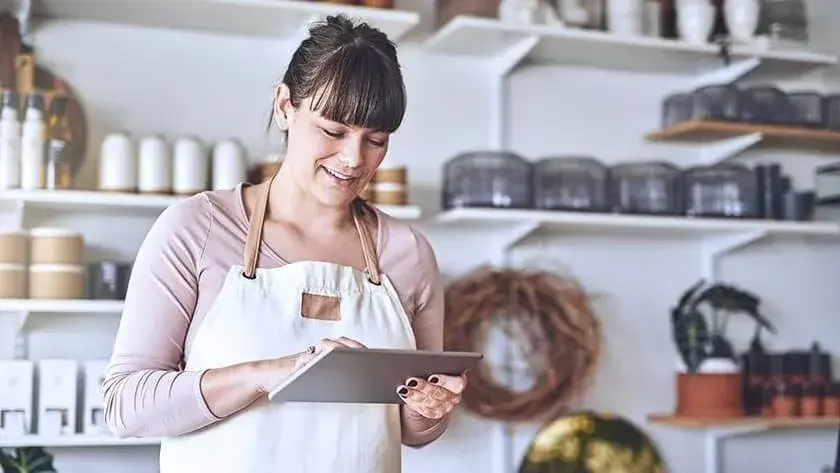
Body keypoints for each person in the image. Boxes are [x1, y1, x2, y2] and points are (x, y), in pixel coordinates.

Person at [102, 14, 467, 473]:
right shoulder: (199, 229)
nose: (354, 159)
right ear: (284, 106)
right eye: (333, 131)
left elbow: (411, 431)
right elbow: (126, 405)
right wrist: (270, 373)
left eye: (375, 140)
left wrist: (426, 410)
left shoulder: (407, 253)